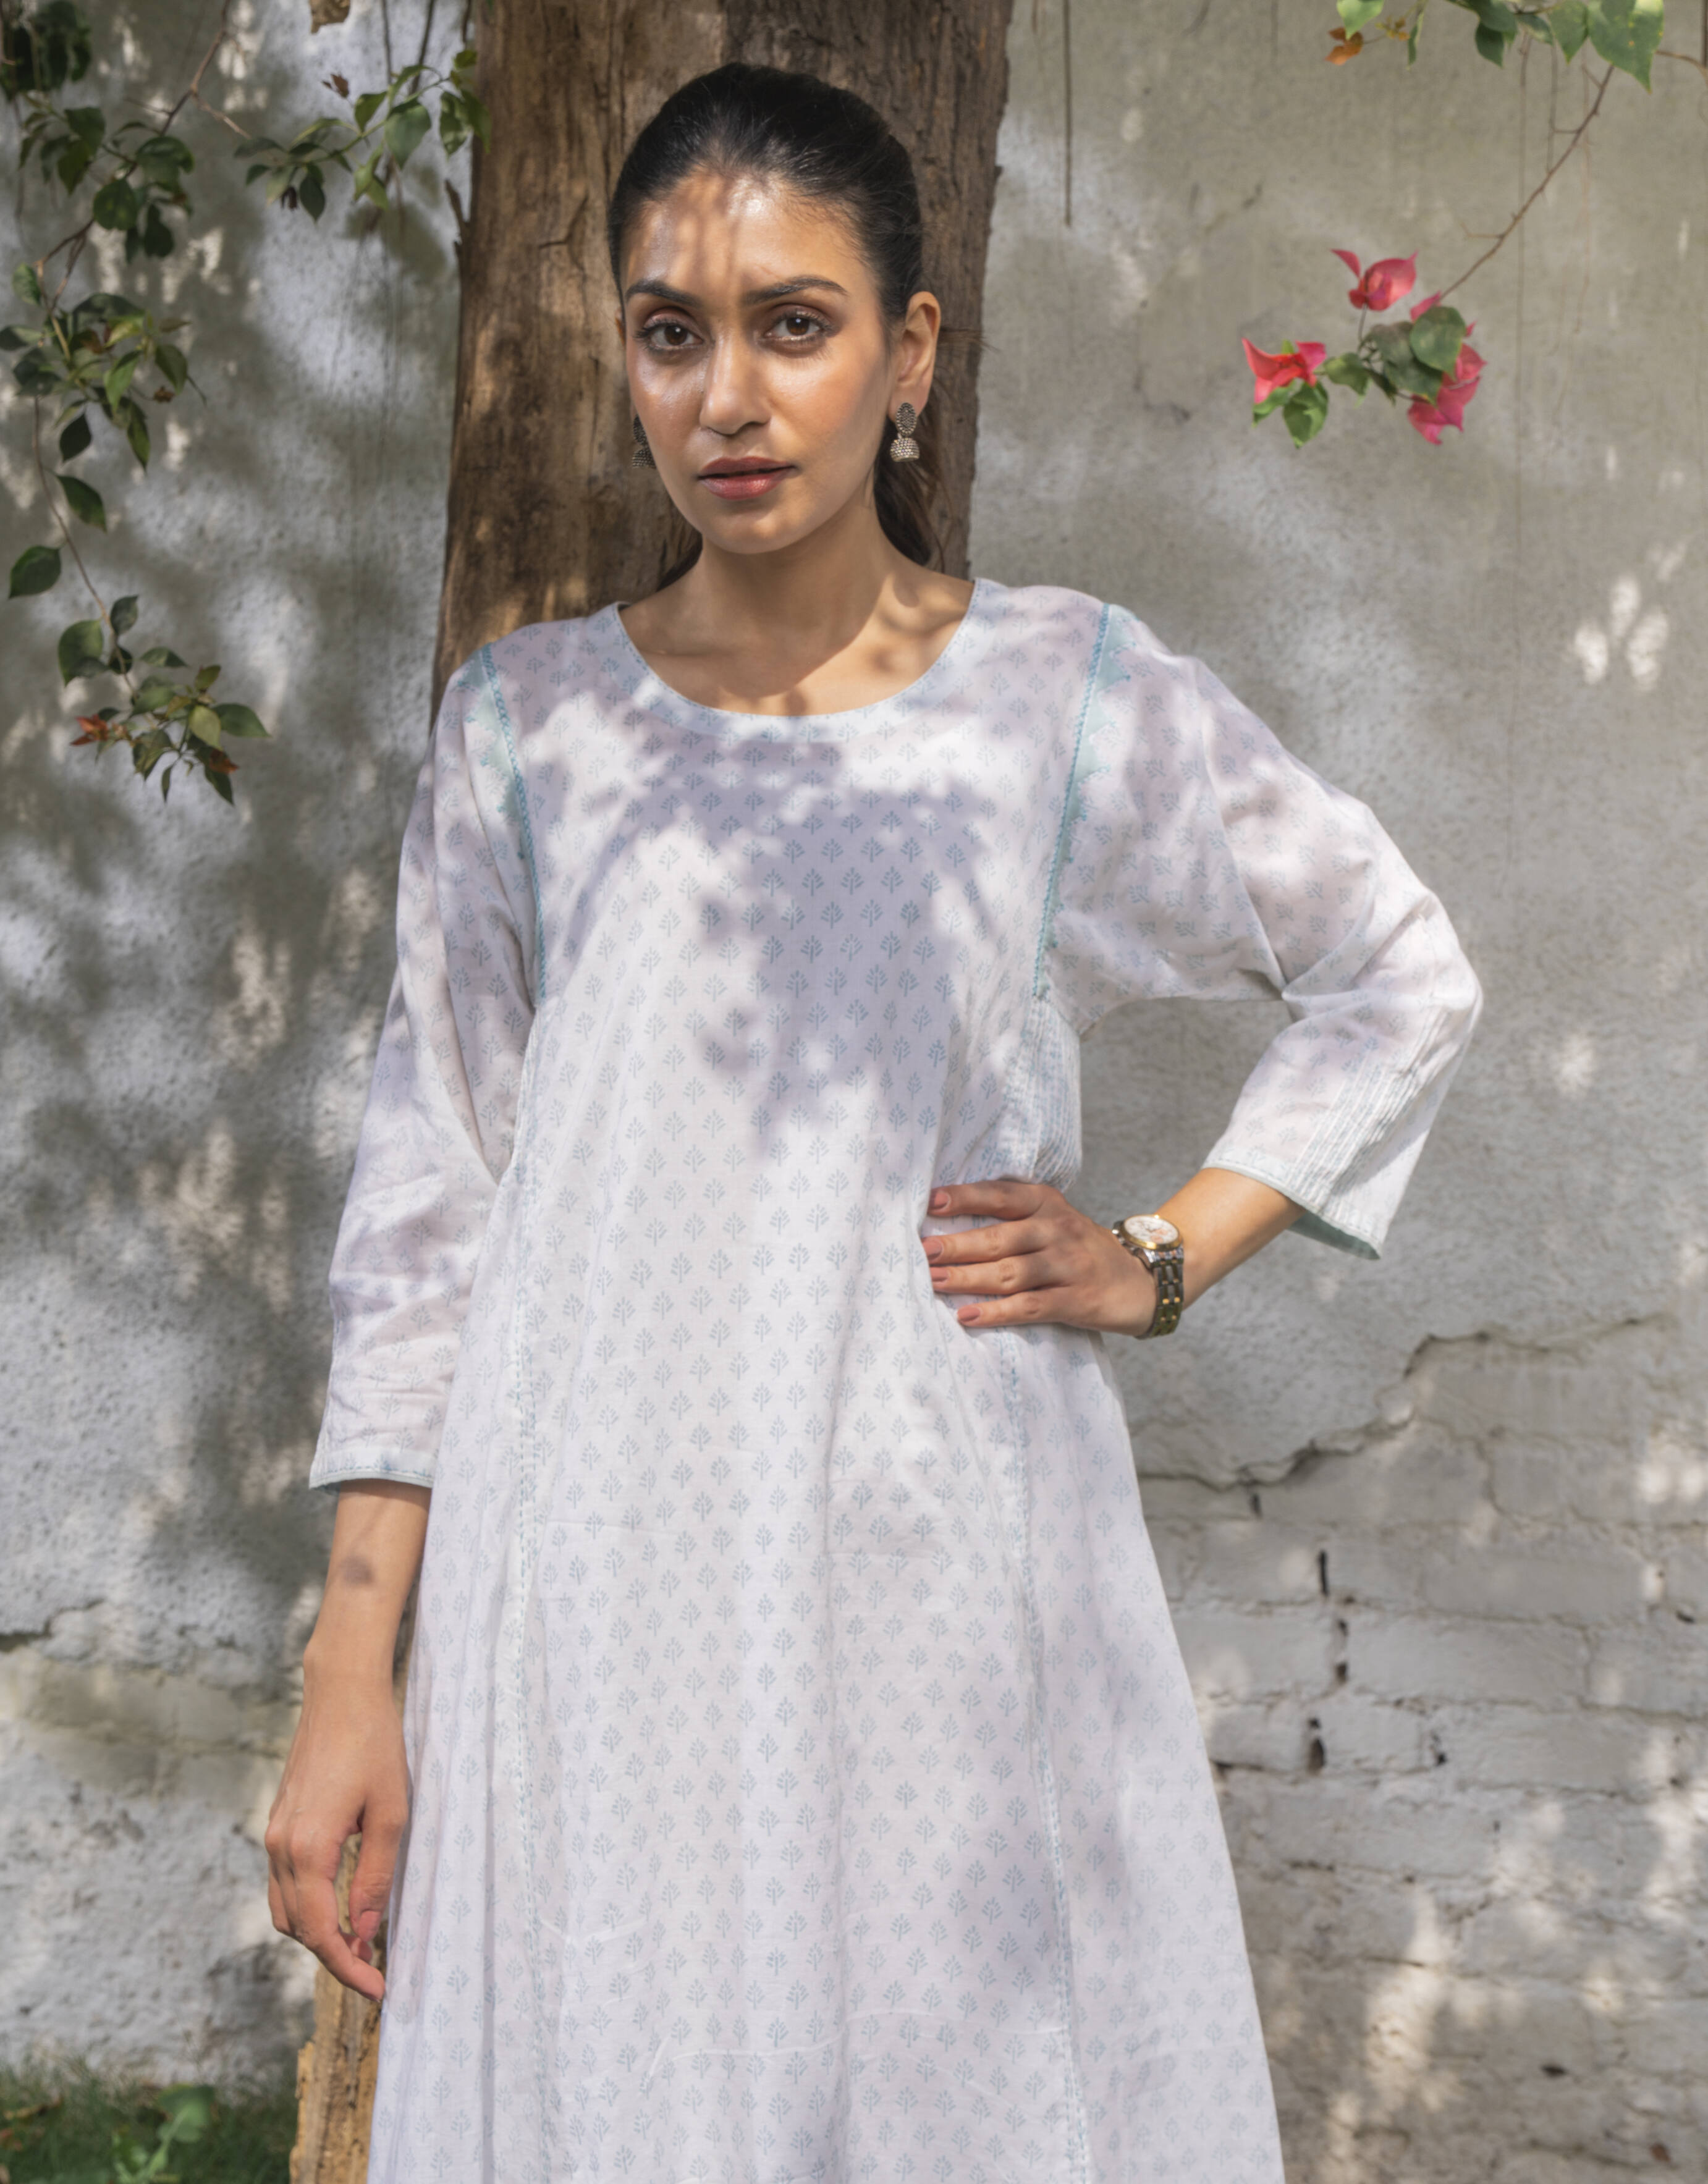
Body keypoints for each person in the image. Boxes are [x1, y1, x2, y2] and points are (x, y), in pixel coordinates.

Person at [265, 61, 1481, 2184]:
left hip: (933, 1548)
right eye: (673, 332)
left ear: (908, 352)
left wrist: (1160, 1255)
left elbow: (1393, 969)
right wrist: (350, 1671)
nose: (729, 395)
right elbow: (429, 1205)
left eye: (795, 324)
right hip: (592, 1569)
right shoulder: (526, 732)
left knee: (958, 2091)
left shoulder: (1059, 701)